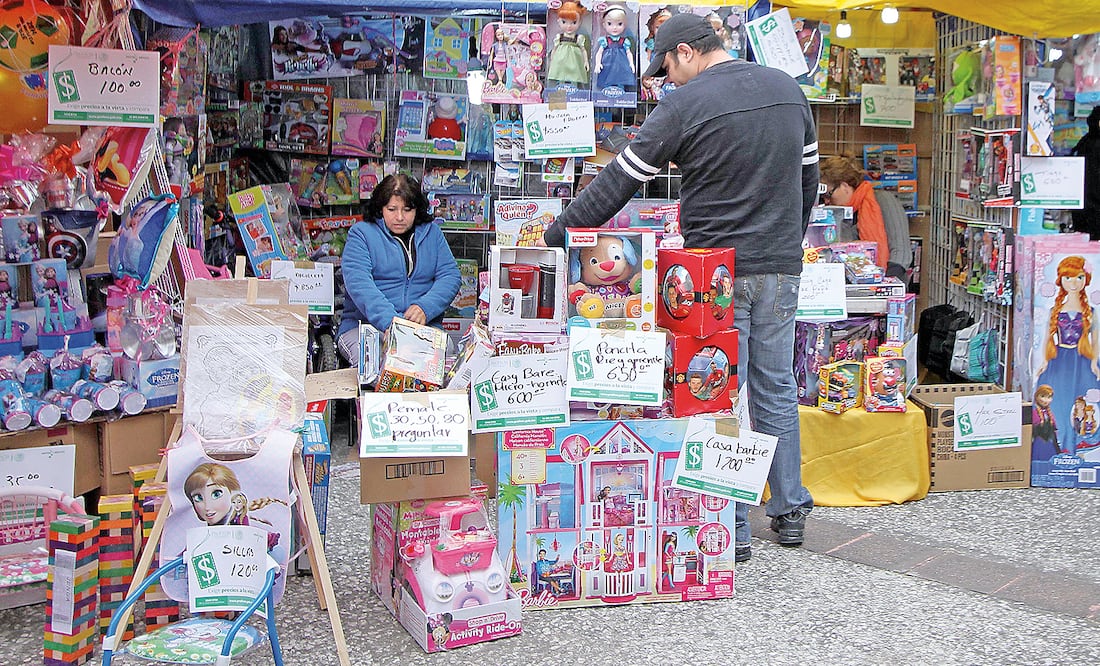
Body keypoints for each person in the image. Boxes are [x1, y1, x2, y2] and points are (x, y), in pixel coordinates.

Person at [540, 12, 816, 563]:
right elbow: (808, 182)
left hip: (713, 274)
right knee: (775, 384)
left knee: (714, 393)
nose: (666, 79)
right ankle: (788, 510)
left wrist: (553, 237)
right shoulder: (788, 90)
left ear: (687, 51)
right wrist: (785, 240)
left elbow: (618, 182)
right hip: (781, 266)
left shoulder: (685, 105)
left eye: (666, 67)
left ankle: (730, 529)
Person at [338, 174, 461, 364]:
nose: (400, 217)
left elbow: (450, 276)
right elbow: (359, 284)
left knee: (439, 362)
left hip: (423, 329)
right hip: (366, 328)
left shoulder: (432, 233)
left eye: (407, 209)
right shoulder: (361, 234)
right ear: (380, 208)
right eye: (392, 209)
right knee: (373, 366)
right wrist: (391, 324)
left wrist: (425, 307)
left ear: (417, 210)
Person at [1035, 256, 1100, 455]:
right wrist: (1044, 361)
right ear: (1061, 280)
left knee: (1083, 399)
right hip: (1060, 359)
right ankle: (1061, 444)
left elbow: (1096, 339)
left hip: (1081, 360)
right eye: (1068, 277)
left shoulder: (1091, 312)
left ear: (1085, 279)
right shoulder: (1055, 310)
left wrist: (1095, 363)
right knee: (1059, 401)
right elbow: (1048, 337)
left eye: (1079, 277)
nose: (1074, 283)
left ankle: (1080, 441)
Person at [818, 156, 913, 281]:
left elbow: (900, 252)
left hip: (887, 284)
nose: (826, 201)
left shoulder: (883, 201)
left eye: (828, 194)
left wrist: (885, 285)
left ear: (844, 186)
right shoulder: (836, 216)